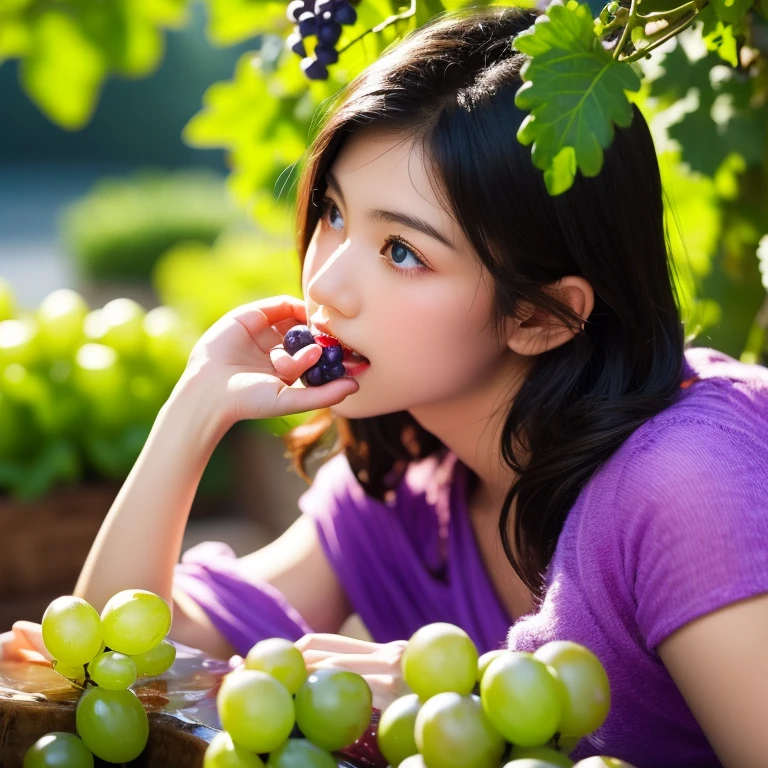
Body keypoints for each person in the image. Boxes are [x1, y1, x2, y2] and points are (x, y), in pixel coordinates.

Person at [2, 5, 767, 767]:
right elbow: (105, 666)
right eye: (332, 213)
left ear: (543, 317)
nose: (326, 282)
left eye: (402, 251)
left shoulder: (688, 487)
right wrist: (195, 408)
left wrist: (454, 696)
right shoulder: (410, 497)